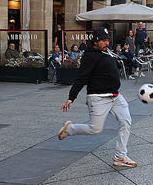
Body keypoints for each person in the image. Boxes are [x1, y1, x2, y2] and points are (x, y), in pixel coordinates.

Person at [58, 28, 137, 168]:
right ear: (95, 41)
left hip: (115, 96)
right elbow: (81, 78)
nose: (107, 42)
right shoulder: (89, 57)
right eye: (104, 40)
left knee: (126, 122)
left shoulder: (105, 52)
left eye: (108, 40)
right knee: (95, 129)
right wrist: (71, 97)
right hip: (98, 97)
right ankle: (69, 129)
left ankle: (120, 157)